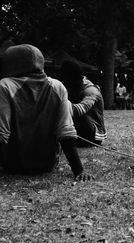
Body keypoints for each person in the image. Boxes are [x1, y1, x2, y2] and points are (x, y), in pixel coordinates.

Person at [0, 44, 91, 181]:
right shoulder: (57, 86)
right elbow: (66, 130)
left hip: (13, 165)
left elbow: (2, 134)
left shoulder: (5, 85)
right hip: (46, 164)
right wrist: (79, 170)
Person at [58, 60, 107, 147]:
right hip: (80, 131)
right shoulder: (72, 87)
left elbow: (80, 110)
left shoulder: (91, 90)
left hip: (93, 136)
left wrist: (56, 105)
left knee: (67, 111)